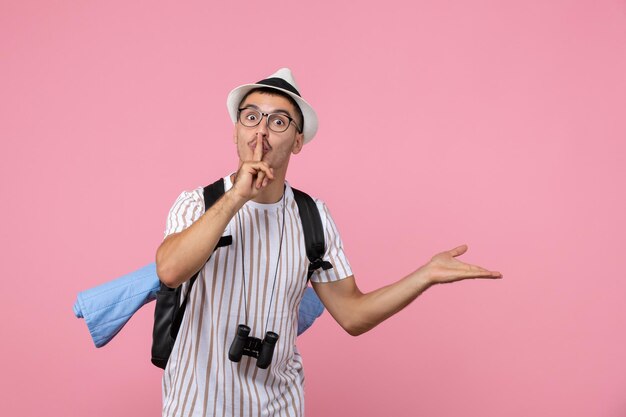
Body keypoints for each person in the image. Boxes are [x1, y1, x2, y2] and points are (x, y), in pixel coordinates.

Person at [155, 68, 502, 417]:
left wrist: (425, 275)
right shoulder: (197, 203)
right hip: (196, 406)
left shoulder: (313, 217)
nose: (261, 129)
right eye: (251, 117)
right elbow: (170, 270)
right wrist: (236, 198)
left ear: (298, 141)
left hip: (277, 408)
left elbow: (353, 314)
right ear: (235, 131)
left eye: (278, 122)